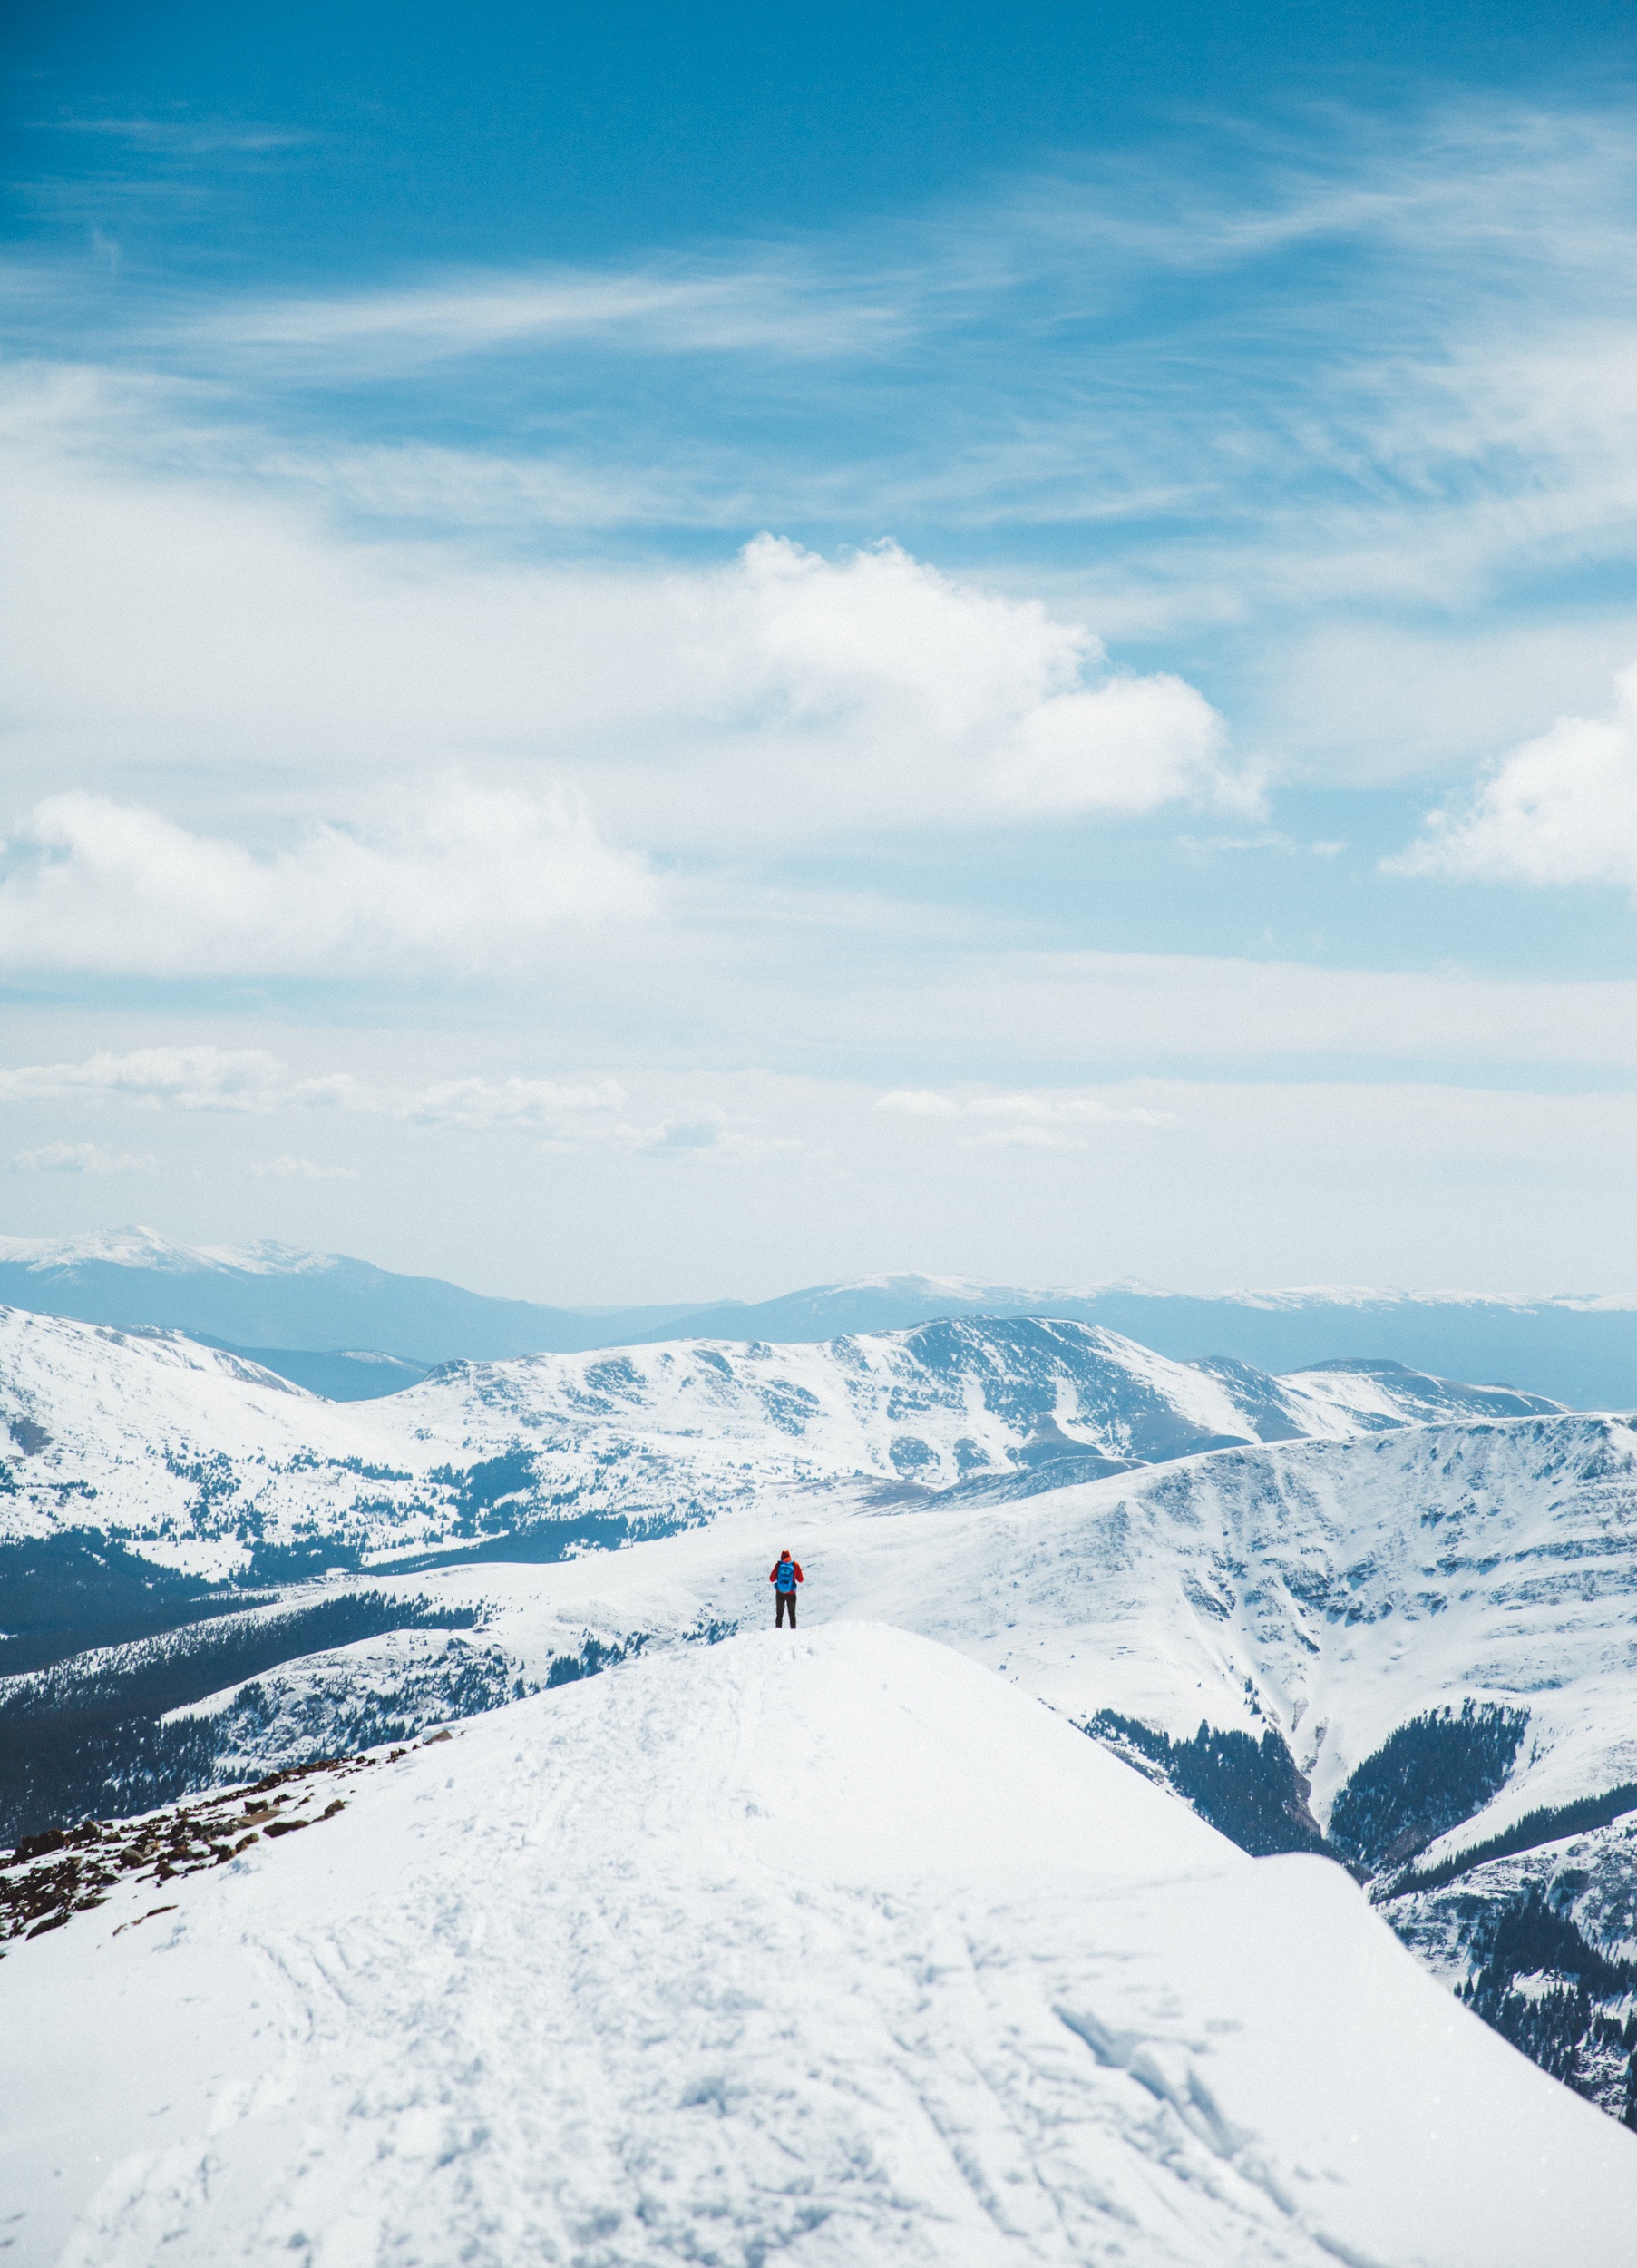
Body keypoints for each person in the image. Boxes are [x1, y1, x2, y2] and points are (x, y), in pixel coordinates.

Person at [769, 1549, 804, 1627]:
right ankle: (793, 1633)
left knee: (779, 1615)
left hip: (780, 1593)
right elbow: (801, 1580)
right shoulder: (795, 1565)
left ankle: (777, 1632)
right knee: (792, 1615)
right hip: (791, 1593)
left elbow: (771, 1579)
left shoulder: (778, 1565)